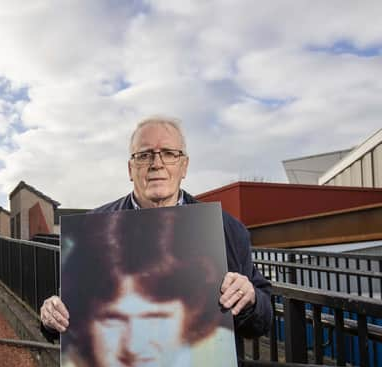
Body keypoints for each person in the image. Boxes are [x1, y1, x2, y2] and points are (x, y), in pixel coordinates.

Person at [40, 117, 272, 340]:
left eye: (169, 153)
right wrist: (51, 318)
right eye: (144, 155)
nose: (157, 163)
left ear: (184, 167)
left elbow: (263, 321)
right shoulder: (90, 230)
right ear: (131, 169)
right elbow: (70, 313)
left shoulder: (227, 230)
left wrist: (251, 300)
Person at [60, 208, 241, 367]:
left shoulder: (221, 364)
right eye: (113, 319)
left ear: (192, 314)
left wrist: (249, 298)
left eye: (156, 318)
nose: (133, 346)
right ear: (86, 322)